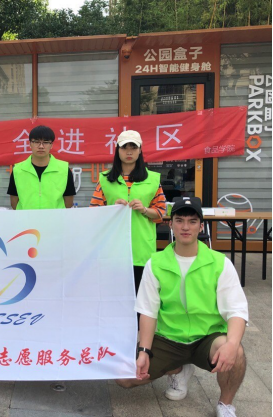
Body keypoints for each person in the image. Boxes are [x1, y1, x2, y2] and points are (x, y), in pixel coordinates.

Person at [116, 197, 248, 417]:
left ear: (201, 226)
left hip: (207, 338)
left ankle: (225, 404)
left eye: (192, 221)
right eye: (179, 220)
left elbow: (236, 310)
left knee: (237, 352)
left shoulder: (220, 263)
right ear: (170, 224)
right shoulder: (155, 263)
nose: (185, 227)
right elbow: (148, 311)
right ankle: (177, 368)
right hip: (168, 338)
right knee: (123, 377)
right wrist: (144, 351)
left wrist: (232, 344)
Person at [90, 130, 166, 294]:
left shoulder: (152, 179)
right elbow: (94, 213)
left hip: (142, 247)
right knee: (114, 295)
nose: (129, 152)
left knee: (141, 295)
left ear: (140, 150)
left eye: (133, 147)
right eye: (124, 147)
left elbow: (161, 212)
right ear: (117, 150)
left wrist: (144, 210)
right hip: (113, 249)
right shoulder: (105, 179)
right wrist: (113, 209)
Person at [8, 126, 76, 210]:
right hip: (26, 218)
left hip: (55, 218)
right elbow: (14, 203)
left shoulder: (64, 169)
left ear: (51, 145)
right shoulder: (18, 170)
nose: (41, 146)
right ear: (30, 144)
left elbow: (68, 203)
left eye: (46, 142)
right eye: (36, 142)